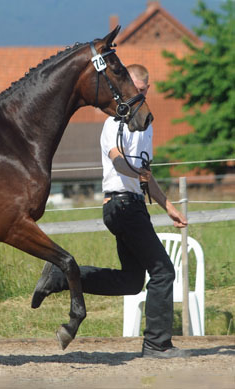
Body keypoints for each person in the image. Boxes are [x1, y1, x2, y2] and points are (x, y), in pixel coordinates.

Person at [31, 64, 191, 359]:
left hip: (135, 205)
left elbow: (146, 173)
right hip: (120, 205)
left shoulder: (146, 125)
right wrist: (135, 173)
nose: (142, 95)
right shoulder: (114, 123)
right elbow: (117, 161)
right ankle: (157, 344)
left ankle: (60, 277)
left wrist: (169, 207)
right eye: (139, 90)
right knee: (163, 271)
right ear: (128, 86)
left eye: (145, 90)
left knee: (132, 282)